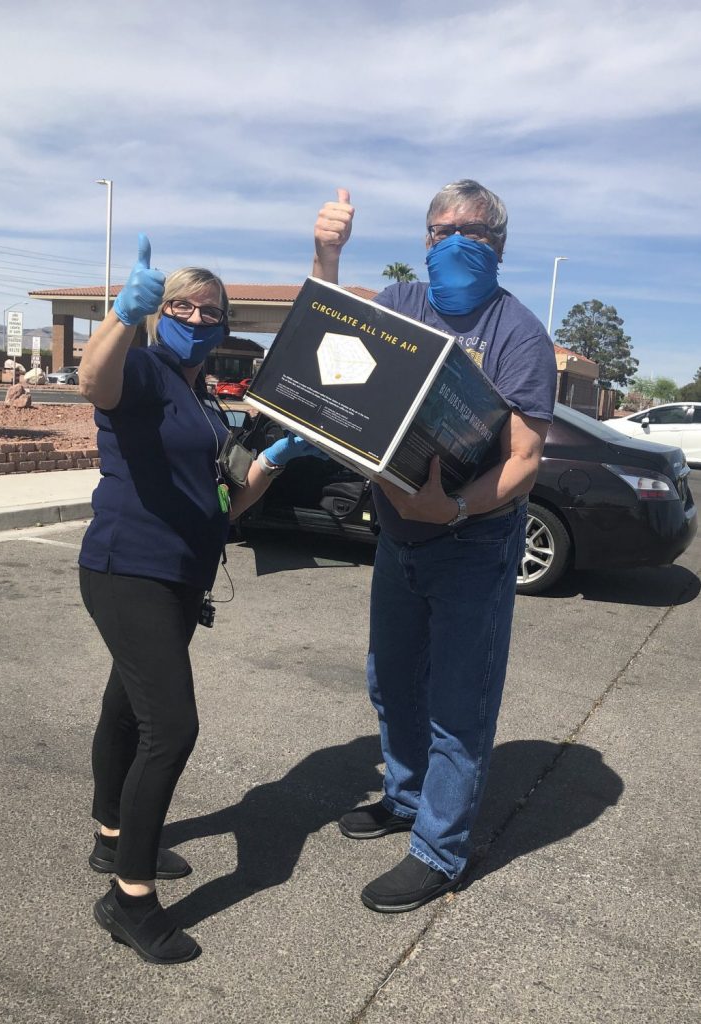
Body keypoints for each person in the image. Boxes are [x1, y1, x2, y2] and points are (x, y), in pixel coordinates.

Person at [78, 234, 325, 964]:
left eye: (208, 310)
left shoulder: (199, 396)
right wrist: (123, 315)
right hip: (130, 570)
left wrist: (273, 463)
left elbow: (227, 505)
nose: (195, 315)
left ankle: (110, 835)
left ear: (222, 325)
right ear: (162, 311)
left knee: (126, 706)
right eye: (181, 304)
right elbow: (93, 382)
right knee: (172, 728)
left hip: (183, 572)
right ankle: (128, 898)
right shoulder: (145, 369)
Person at [313, 180, 558, 913]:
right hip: (397, 535)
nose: (452, 240)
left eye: (471, 231)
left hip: (473, 543)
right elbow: (330, 348)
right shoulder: (400, 306)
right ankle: (405, 795)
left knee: (459, 703)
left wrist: (449, 506)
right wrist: (325, 258)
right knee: (390, 679)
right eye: (437, 228)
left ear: (499, 245)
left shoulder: (519, 335)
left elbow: (522, 461)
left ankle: (440, 850)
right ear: (422, 240)